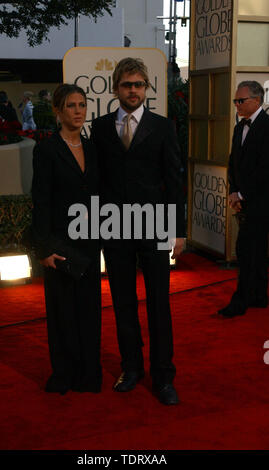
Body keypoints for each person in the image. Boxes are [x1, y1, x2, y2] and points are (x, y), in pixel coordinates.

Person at [91, 58, 185, 405]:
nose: (133, 90)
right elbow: (96, 182)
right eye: (127, 84)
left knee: (160, 304)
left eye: (139, 84)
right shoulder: (100, 128)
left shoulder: (163, 127)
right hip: (115, 226)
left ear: (147, 88)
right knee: (123, 303)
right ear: (116, 88)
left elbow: (174, 181)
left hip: (156, 224)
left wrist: (178, 230)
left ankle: (163, 376)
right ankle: (131, 367)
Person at [31, 83, 102, 395]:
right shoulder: (46, 149)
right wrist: (44, 247)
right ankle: (63, 374)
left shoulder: (94, 147)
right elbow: (41, 200)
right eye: (71, 106)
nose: (78, 111)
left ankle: (89, 374)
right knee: (62, 313)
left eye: (82, 105)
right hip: (59, 242)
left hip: (89, 241)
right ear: (58, 111)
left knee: (89, 311)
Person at [218, 81, 269, 318]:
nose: (237, 104)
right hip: (243, 199)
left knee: (246, 249)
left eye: (241, 100)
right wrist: (233, 191)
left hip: (262, 201)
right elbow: (233, 162)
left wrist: (242, 194)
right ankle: (258, 296)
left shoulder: (267, 127)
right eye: (235, 101)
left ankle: (241, 301)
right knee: (254, 249)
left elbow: (265, 169)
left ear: (257, 101)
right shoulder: (239, 127)